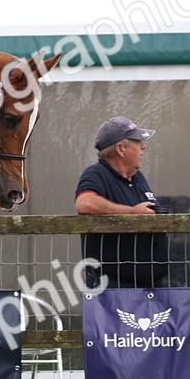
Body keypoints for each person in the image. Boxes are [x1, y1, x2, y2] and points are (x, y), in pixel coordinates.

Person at [74, 116, 168, 289]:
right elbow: (84, 203)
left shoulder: (137, 177)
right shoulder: (96, 174)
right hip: (113, 290)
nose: (143, 147)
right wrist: (131, 212)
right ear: (121, 149)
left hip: (150, 287)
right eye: (137, 142)